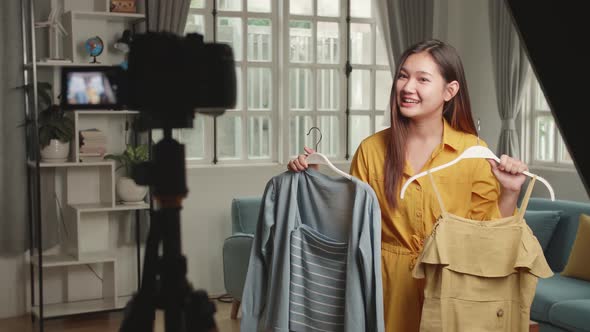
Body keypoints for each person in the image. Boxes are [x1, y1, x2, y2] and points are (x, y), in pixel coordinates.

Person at [287, 39, 529, 331]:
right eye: (403, 75)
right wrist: (314, 179)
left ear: (449, 91)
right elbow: (347, 226)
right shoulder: (371, 150)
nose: (407, 87)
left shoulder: (474, 152)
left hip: (451, 288)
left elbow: (486, 238)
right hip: (383, 285)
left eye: (422, 79)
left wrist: (510, 191)